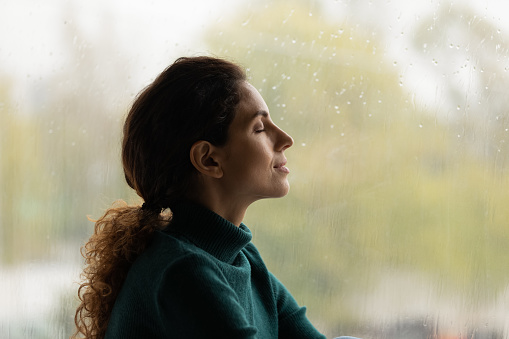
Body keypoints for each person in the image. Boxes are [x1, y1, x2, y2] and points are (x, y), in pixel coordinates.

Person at [73, 56, 357, 339]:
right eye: (259, 128)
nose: (285, 139)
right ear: (209, 160)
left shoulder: (243, 257)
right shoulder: (182, 271)